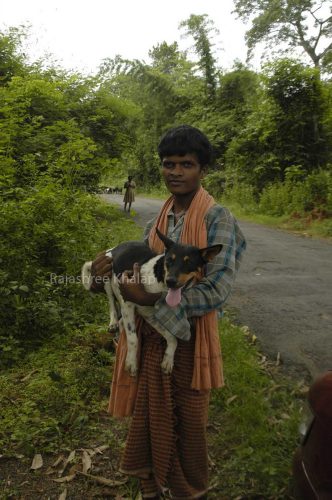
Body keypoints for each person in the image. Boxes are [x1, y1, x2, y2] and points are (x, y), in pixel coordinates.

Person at [88, 125, 246, 499]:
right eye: (168, 163)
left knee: (189, 423)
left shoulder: (217, 219)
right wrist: (103, 276)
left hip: (190, 338)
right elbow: (141, 273)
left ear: (202, 170)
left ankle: (185, 491)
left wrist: (149, 299)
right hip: (151, 336)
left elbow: (217, 289)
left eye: (186, 164)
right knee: (150, 413)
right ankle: (151, 486)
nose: (175, 171)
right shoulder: (156, 224)